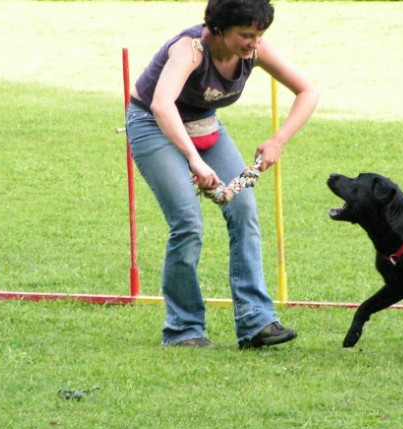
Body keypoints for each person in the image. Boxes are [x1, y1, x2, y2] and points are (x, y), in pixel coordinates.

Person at [125, 0, 319, 348]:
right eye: (246, 34)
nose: (254, 43)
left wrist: (278, 140)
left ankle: (256, 323)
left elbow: (308, 91)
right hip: (152, 125)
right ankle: (183, 330)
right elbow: (161, 105)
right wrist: (194, 161)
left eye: (259, 35)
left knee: (243, 210)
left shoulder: (254, 51)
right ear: (219, 28)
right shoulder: (191, 50)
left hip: (204, 123)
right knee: (188, 223)